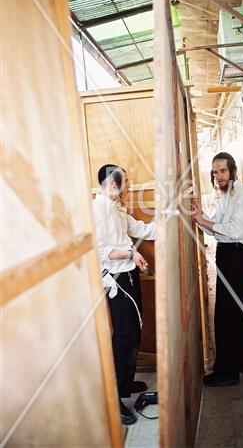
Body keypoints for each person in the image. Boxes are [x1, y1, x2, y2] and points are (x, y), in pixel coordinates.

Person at [192, 152, 243, 387]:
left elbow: (235, 230)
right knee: (239, 310)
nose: (219, 176)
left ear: (233, 171)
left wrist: (204, 222)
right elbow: (215, 228)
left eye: (223, 171)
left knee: (227, 314)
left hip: (237, 257)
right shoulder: (228, 196)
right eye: (215, 172)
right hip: (228, 255)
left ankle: (227, 373)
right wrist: (201, 216)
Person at [92, 164, 156, 425]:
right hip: (115, 280)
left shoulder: (117, 208)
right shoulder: (95, 211)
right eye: (126, 181)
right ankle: (115, 398)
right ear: (113, 183)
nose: (129, 185)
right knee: (124, 336)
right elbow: (102, 251)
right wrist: (131, 254)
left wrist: (170, 220)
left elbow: (140, 229)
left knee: (134, 332)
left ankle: (127, 383)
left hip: (129, 274)